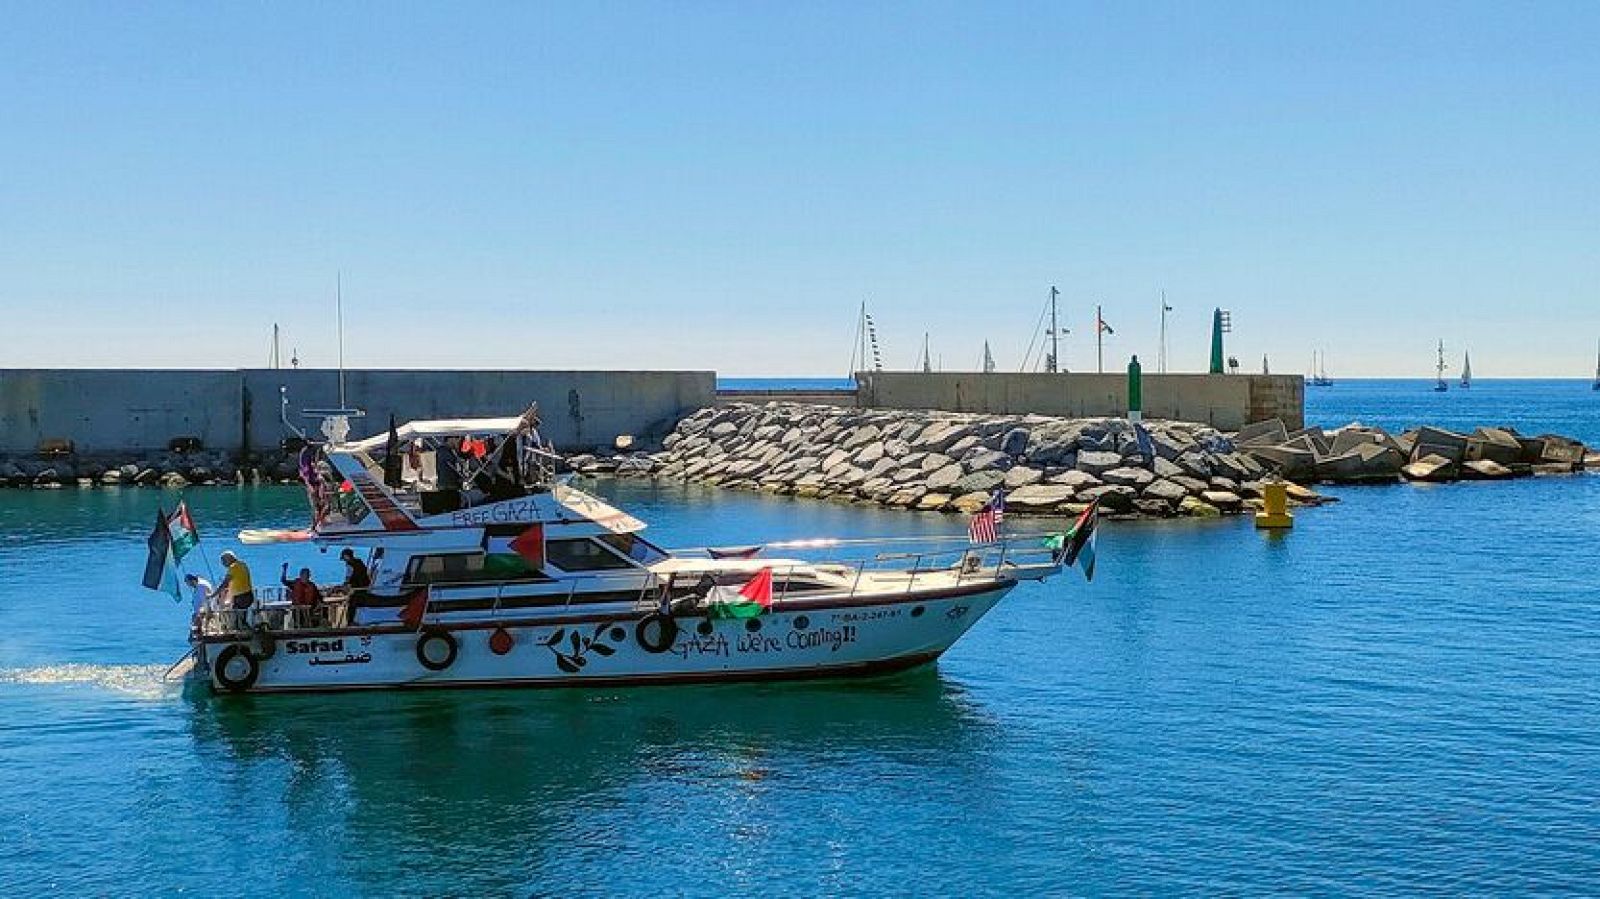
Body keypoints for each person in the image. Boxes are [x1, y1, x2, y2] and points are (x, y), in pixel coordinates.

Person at [211, 551, 255, 630]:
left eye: (223, 561)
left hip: (241, 597)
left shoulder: (233, 568)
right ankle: (244, 630)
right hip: (248, 595)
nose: (223, 564)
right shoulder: (242, 564)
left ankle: (241, 634)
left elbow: (224, 584)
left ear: (229, 559)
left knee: (237, 618)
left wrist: (213, 595)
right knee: (241, 617)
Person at [280, 563, 325, 627]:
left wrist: (318, 607)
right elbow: (284, 581)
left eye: (307, 575)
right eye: (304, 575)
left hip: (309, 610)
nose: (306, 577)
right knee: (298, 618)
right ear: (300, 575)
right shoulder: (295, 583)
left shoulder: (312, 585)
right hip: (297, 610)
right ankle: (299, 626)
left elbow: (320, 598)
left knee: (311, 617)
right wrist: (284, 570)